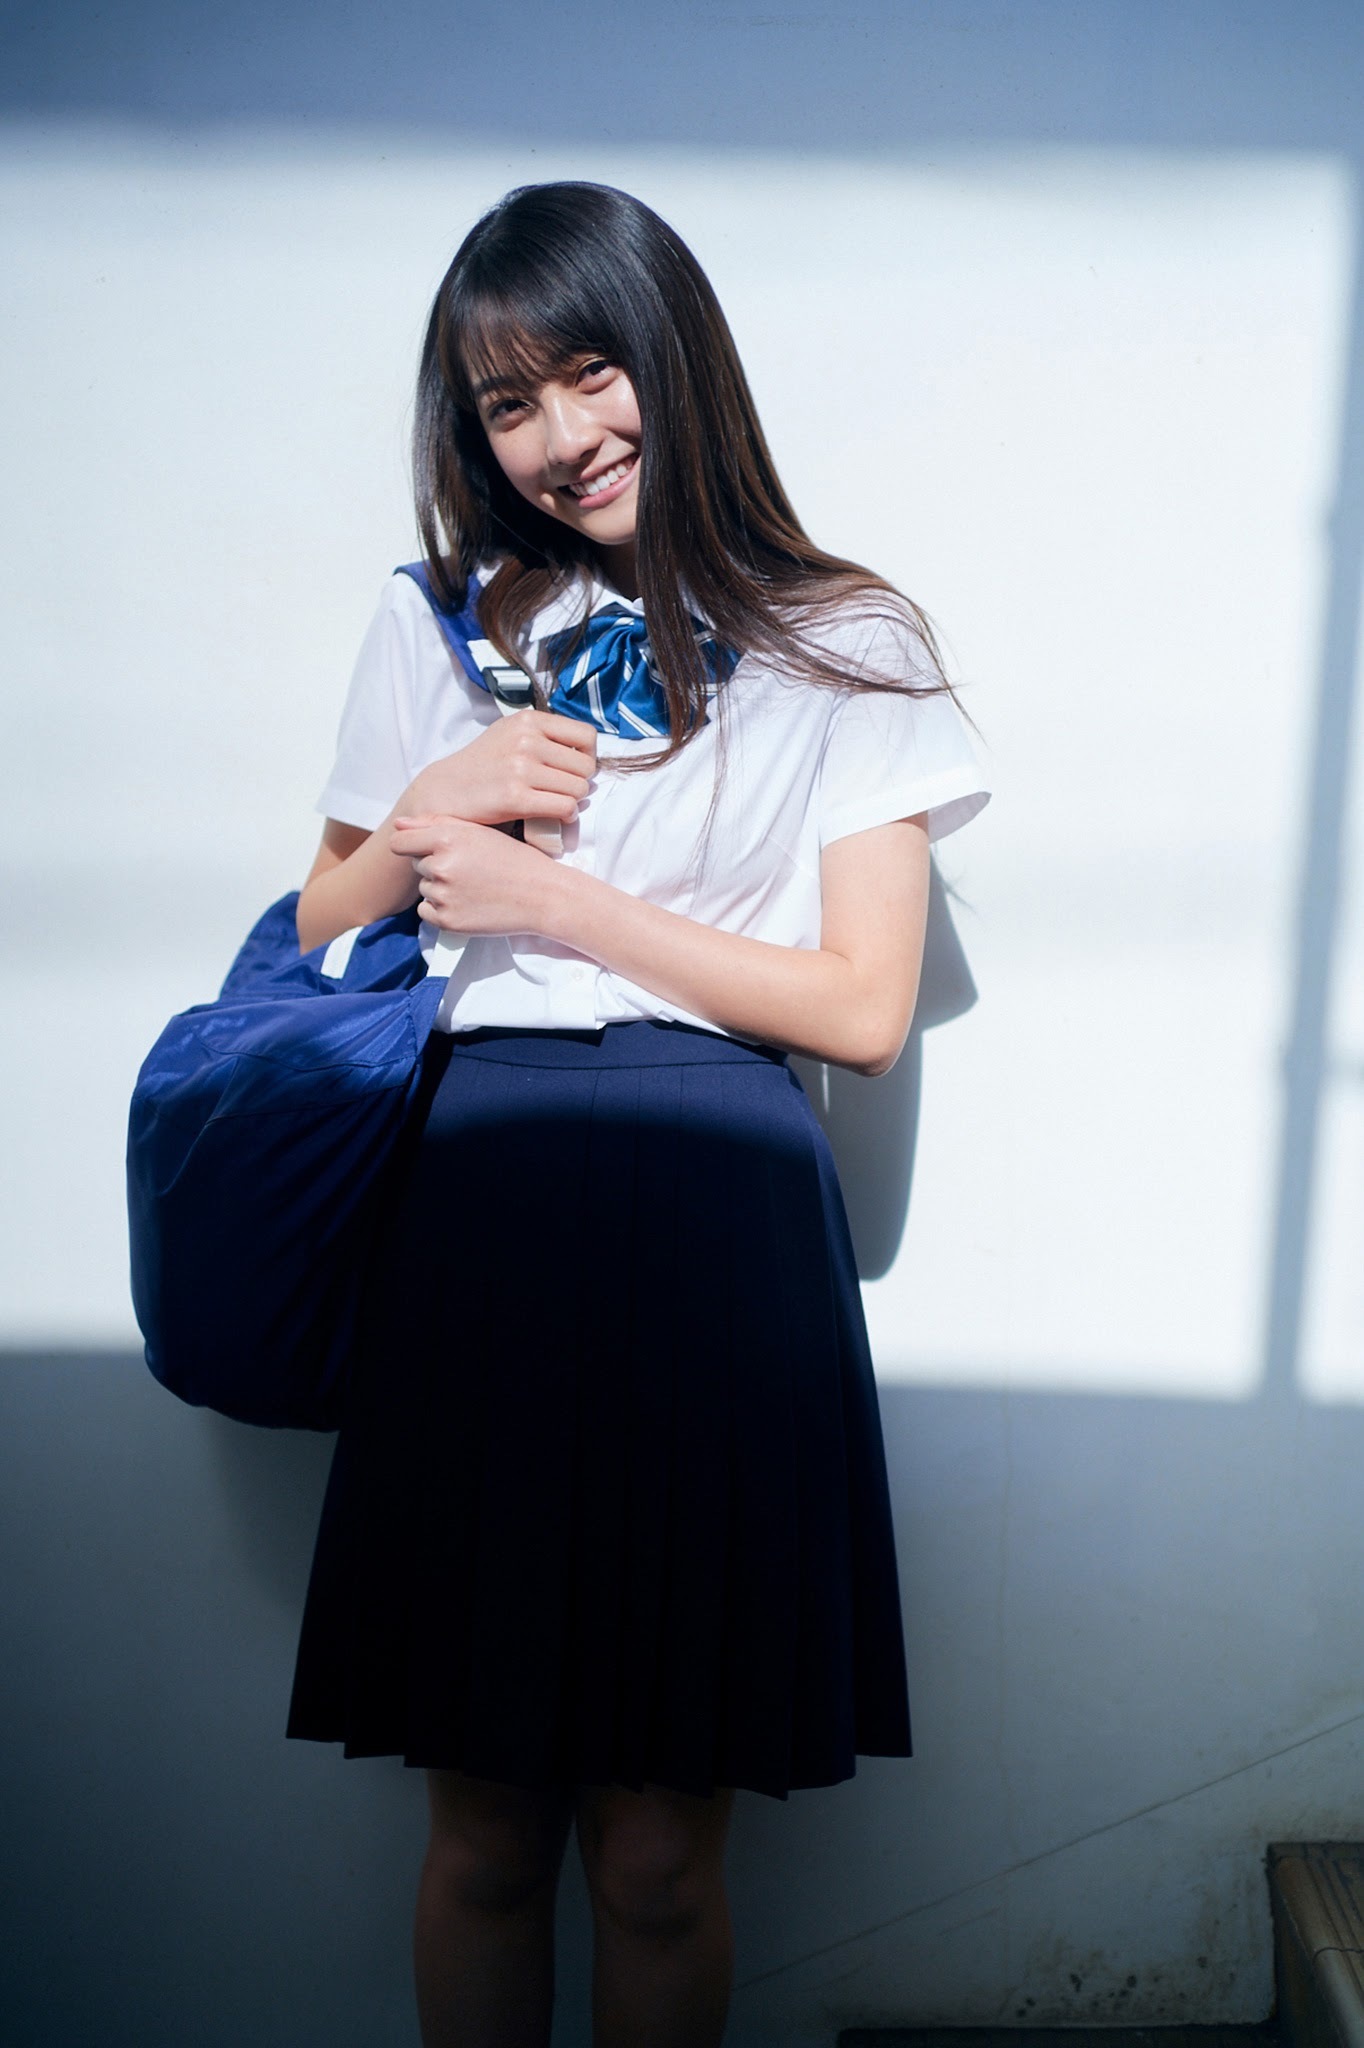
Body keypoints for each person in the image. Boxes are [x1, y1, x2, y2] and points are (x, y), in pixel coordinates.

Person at [284, 180, 990, 2048]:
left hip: (717, 1209)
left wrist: (563, 904)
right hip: (484, 1199)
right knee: (485, 1832)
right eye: (507, 403)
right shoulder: (440, 619)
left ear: (673, 356)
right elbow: (318, 927)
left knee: (663, 1852)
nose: (560, 435)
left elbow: (861, 1009)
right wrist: (438, 797)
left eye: (589, 372)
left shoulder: (852, 637)